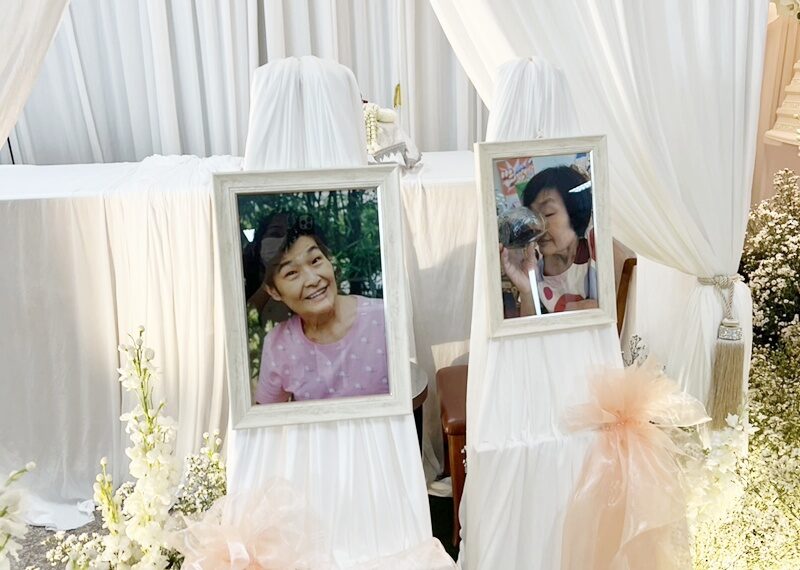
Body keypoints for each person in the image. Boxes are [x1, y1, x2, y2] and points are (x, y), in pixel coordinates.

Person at [254, 215, 390, 404]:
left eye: (315, 260)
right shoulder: (279, 345)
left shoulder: (384, 318)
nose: (313, 279)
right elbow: (266, 417)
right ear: (274, 291)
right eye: (291, 273)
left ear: (329, 260)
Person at [500, 165, 598, 316]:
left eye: (548, 213)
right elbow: (531, 328)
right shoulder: (532, 262)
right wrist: (527, 291)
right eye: (532, 216)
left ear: (575, 212)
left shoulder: (596, 251)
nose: (538, 226)